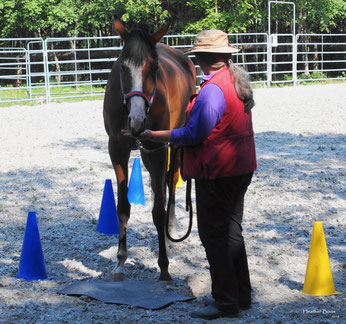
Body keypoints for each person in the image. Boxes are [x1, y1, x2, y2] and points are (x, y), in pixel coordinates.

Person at [123, 29, 257, 320]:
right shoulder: (234, 81)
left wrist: (152, 134)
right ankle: (242, 294)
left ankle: (225, 302)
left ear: (202, 59)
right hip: (240, 169)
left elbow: (194, 134)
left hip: (217, 173)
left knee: (214, 236)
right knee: (233, 233)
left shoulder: (212, 91)